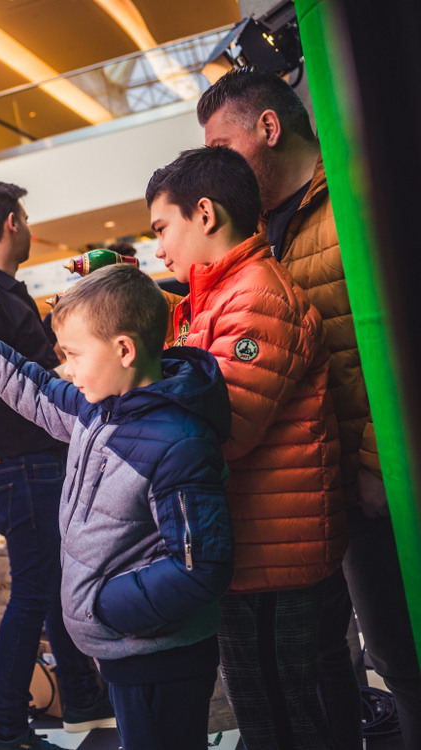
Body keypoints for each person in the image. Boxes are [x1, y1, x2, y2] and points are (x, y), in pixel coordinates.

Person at [198, 67, 421, 750]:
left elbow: (383, 338)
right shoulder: (258, 229)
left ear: (268, 127)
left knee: (403, 658)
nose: (213, 169)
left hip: (383, 475)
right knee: (358, 654)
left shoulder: (356, 194)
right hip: (324, 488)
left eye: (222, 146)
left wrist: (374, 463)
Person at [0, 264, 234, 750]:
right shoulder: (99, 410)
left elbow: (200, 568)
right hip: (127, 650)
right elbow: (32, 386)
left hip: (159, 656)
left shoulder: (177, 441)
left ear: (124, 350)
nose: (65, 368)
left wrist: (103, 606)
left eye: (72, 355)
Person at [147, 145, 346, 750]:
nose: (158, 249)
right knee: (265, 713)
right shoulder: (212, 299)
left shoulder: (254, 296)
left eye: (162, 228)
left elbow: (224, 430)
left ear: (203, 213)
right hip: (255, 548)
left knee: (283, 717)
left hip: (275, 558)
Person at [0, 182, 113, 750]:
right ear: (13, 223)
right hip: (19, 465)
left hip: (37, 459)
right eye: (28, 216)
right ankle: (6, 729)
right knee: (31, 590)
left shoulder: (4, 294)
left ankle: (82, 694)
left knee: (50, 586)